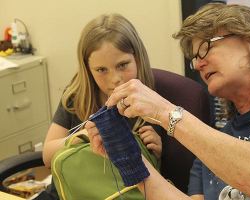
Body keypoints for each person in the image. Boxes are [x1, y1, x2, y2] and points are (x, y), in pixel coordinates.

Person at [86, 3, 250, 200]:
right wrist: (128, 158)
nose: (198, 65)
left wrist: (164, 111)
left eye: (206, 47)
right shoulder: (212, 145)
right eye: (194, 58)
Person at [40, 13, 162, 199]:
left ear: (137, 58)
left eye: (122, 65)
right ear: (88, 70)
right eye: (101, 70)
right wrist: (83, 137)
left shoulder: (152, 103)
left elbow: (155, 182)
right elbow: (47, 156)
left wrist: (158, 152)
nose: (115, 79)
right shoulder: (76, 97)